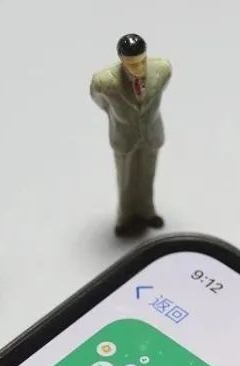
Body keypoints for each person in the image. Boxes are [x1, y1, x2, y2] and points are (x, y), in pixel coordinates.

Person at [90, 33, 172, 236]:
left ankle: (147, 209)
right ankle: (125, 216)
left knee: (147, 174)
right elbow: (100, 101)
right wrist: (117, 117)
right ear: (122, 60)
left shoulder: (162, 70)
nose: (138, 67)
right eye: (132, 63)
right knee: (125, 178)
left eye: (142, 61)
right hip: (124, 136)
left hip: (151, 133)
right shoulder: (104, 82)